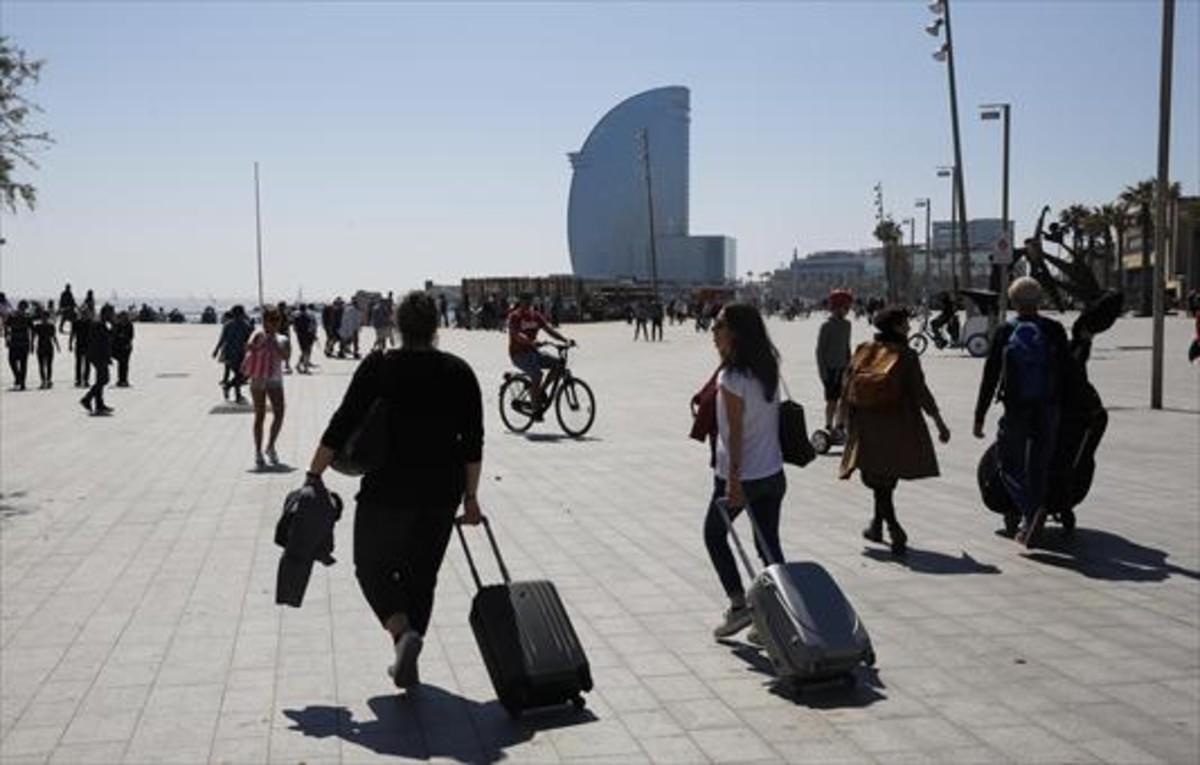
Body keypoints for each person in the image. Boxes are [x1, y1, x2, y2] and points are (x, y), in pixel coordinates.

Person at [304, 291, 485, 689]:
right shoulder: (459, 372)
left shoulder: (379, 368)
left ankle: (403, 636)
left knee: (370, 567)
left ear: (398, 326)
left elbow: (342, 423)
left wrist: (313, 476)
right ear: (436, 327)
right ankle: (410, 644)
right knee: (422, 577)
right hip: (442, 493)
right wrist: (471, 500)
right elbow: (473, 444)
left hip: (387, 491)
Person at [702, 303, 787, 640]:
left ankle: (739, 607)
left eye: (719, 325)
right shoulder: (767, 367)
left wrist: (734, 481)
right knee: (768, 546)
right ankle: (780, 615)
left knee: (713, 535)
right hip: (773, 472)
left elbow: (735, 433)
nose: (713, 331)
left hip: (743, 476)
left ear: (734, 332)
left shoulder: (732, 378)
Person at [838, 306, 950, 555]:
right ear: (896, 327)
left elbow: (847, 385)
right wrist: (939, 421)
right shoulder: (906, 355)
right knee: (885, 480)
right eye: (905, 324)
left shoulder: (863, 349)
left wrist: (842, 418)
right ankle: (895, 529)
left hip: (866, 424)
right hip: (896, 423)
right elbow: (920, 392)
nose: (909, 328)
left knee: (879, 478)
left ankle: (878, 525)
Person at [973, 277, 1071, 547]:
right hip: (1048, 406)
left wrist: (979, 415)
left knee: (1008, 464)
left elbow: (990, 374)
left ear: (1014, 302)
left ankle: (1030, 512)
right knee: (1038, 465)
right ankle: (1032, 516)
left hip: (1016, 408)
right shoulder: (1054, 329)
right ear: (1039, 301)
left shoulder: (1006, 331)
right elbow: (1068, 371)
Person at [507, 292, 571, 417]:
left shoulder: (535, 315)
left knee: (558, 364)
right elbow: (516, 335)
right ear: (520, 301)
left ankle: (540, 391)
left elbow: (549, 329)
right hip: (518, 354)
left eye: (530, 300)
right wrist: (531, 342)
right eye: (525, 300)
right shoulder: (515, 316)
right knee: (537, 375)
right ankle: (535, 408)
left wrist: (564, 340)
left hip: (533, 352)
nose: (528, 303)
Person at [242, 307, 288, 468]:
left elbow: (286, 356)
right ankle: (258, 451)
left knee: (280, 413)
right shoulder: (258, 334)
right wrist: (259, 343)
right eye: (271, 320)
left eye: (277, 320)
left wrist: (275, 344)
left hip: (275, 379)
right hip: (258, 379)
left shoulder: (283, 338)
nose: (275, 323)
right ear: (265, 321)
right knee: (259, 415)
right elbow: (247, 348)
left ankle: (270, 446)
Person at [816, 289, 853, 433]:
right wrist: (823, 373)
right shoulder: (826, 326)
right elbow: (820, 351)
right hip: (830, 370)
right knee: (832, 401)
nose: (847, 310)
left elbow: (846, 346)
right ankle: (828, 425)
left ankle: (840, 425)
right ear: (836, 307)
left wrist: (850, 364)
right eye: (845, 307)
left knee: (844, 399)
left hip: (844, 368)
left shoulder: (847, 325)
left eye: (848, 308)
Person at [213, 304, 253, 404]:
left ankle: (230, 388)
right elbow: (223, 339)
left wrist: (216, 350)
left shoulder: (232, 324)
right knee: (240, 375)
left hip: (235, 354)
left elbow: (222, 339)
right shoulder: (243, 325)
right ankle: (236, 394)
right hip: (236, 354)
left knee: (239, 375)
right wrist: (216, 350)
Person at [81, 304, 115, 414]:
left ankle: (99, 404)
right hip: (98, 356)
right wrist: (113, 325)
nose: (113, 315)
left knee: (100, 379)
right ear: (105, 313)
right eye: (111, 313)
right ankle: (87, 399)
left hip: (98, 356)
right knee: (104, 379)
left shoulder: (101, 324)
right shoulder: (99, 324)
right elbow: (104, 341)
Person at [5, 300, 33, 390]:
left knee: (23, 364)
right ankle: (18, 378)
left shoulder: (27, 317)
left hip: (23, 343)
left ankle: (22, 383)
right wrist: (7, 338)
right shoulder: (12, 316)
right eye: (22, 307)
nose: (23, 309)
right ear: (19, 306)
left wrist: (32, 343)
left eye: (24, 307)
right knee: (12, 361)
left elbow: (32, 330)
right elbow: (6, 326)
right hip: (14, 342)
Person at [33, 307, 59, 388]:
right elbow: (34, 336)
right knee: (41, 365)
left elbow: (54, 337)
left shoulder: (51, 326)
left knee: (49, 365)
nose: (44, 318)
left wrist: (57, 346)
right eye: (43, 317)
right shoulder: (37, 326)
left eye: (45, 317)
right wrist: (31, 345)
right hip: (40, 346)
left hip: (49, 346)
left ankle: (48, 380)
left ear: (48, 317)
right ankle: (43, 380)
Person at [70, 306, 92, 388]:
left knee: (87, 363)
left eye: (85, 314)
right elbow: (73, 334)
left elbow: (93, 334)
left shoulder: (90, 323)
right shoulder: (76, 323)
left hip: (88, 345)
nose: (84, 315)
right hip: (79, 344)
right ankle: (78, 380)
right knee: (78, 363)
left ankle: (86, 380)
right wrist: (70, 344)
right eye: (83, 314)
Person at [112, 311, 135, 387]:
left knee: (125, 364)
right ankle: (120, 380)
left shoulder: (129, 325)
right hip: (118, 347)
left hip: (126, 347)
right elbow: (114, 335)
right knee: (121, 364)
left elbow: (131, 336)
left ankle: (124, 380)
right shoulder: (117, 325)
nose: (123, 319)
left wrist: (124, 338)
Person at [294, 304, 317, 374]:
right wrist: (314, 335)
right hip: (307, 336)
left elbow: (294, 328)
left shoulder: (297, 317)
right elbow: (311, 327)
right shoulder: (308, 317)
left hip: (300, 336)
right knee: (306, 352)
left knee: (304, 351)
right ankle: (305, 368)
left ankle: (299, 365)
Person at [276, 301, 294, 374]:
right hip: (282, 334)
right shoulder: (281, 315)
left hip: (282, 334)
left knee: (284, 350)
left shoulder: (281, 314)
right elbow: (282, 325)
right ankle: (286, 365)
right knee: (286, 350)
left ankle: (285, 365)